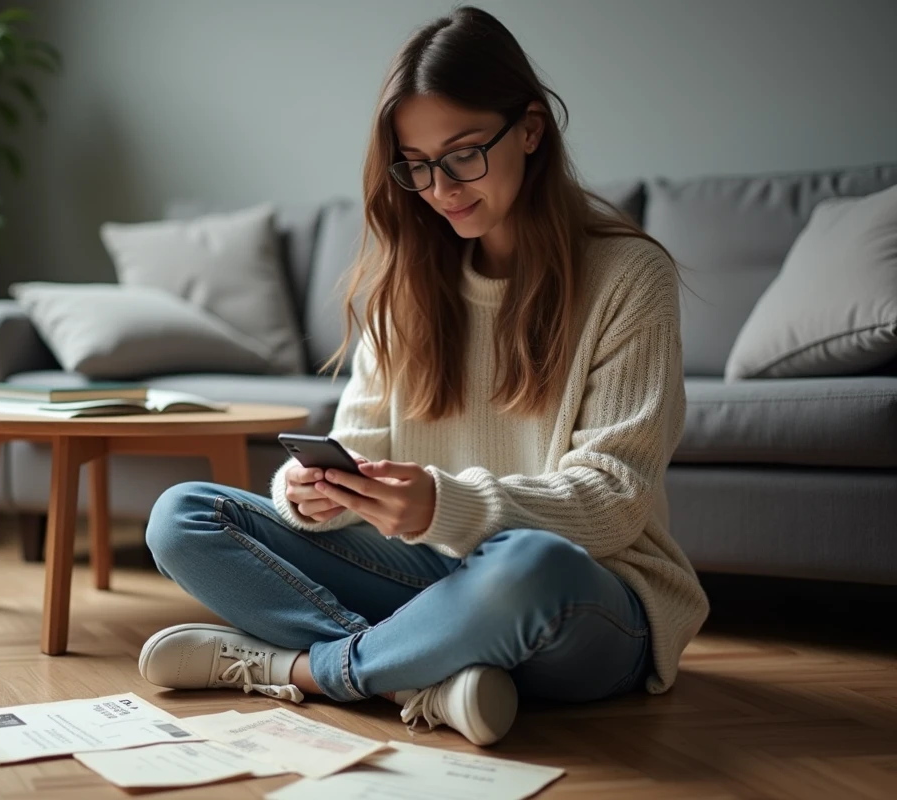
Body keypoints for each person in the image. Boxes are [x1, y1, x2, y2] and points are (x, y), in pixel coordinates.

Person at [136, 5, 708, 746]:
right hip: (438, 582)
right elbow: (357, 447)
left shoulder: (630, 276)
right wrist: (313, 495)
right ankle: (427, 672)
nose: (440, 187)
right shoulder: (406, 287)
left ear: (531, 129)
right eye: (418, 165)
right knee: (182, 516)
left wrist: (443, 504)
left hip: (587, 603)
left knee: (526, 563)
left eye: (464, 153)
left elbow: (613, 504)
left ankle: (308, 671)